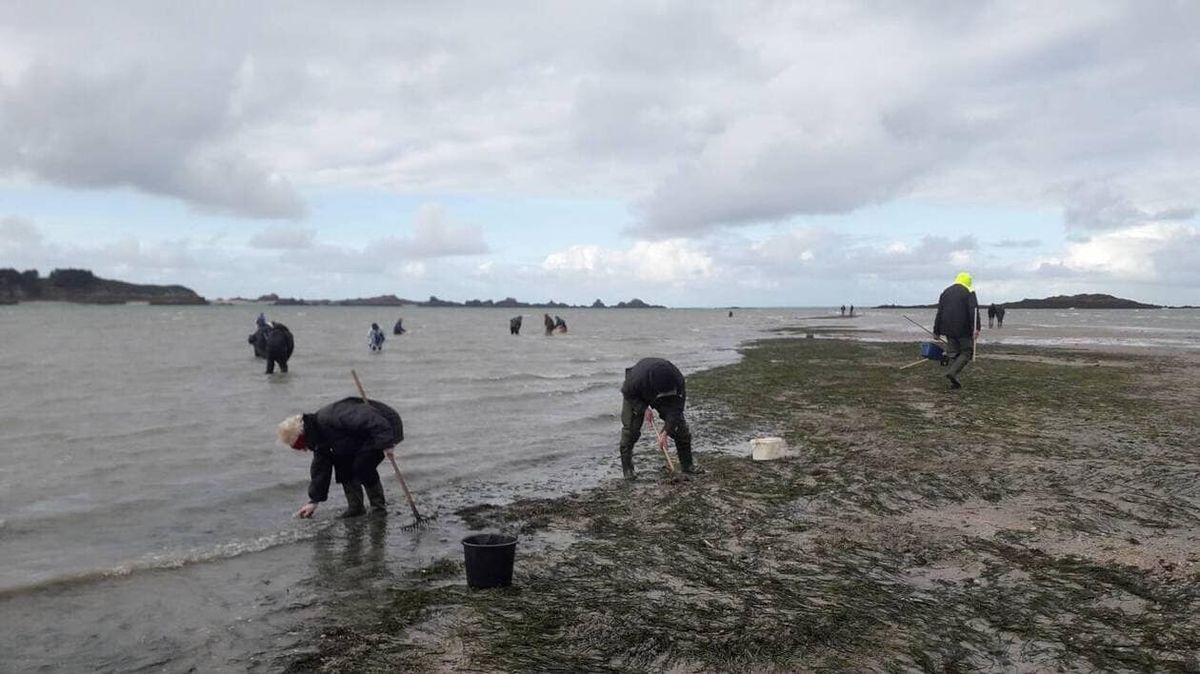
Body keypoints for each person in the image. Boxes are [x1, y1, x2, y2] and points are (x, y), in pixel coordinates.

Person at [278, 396, 404, 518]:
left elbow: (370, 418)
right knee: (343, 464)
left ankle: (378, 509)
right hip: (362, 435)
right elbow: (321, 469)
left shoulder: (330, 417)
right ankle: (356, 508)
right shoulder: (318, 437)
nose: (305, 450)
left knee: (363, 465)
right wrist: (314, 501)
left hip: (385, 426)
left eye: (301, 446)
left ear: (303, 436)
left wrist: (386, 443)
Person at [617, 357, 699, 480]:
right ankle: (628, 470)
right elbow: (627, 392)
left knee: (680, 428)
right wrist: (643, 408)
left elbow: (676, 409)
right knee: (630, 431)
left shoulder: (678, 380)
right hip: (637, 394)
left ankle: (687, 465)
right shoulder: (636, 379)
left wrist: (666, 431)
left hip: (665, 395)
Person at [933, 272, 981, 390]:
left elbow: (940, 311)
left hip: (947, 327)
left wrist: (936, 330)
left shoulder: (946, 292)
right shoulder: (969, 292)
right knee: (967, 352)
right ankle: (952, 373)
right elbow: (973, 311)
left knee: (954, 352)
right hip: (963, 328)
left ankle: (953, 379)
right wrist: (976, 328)